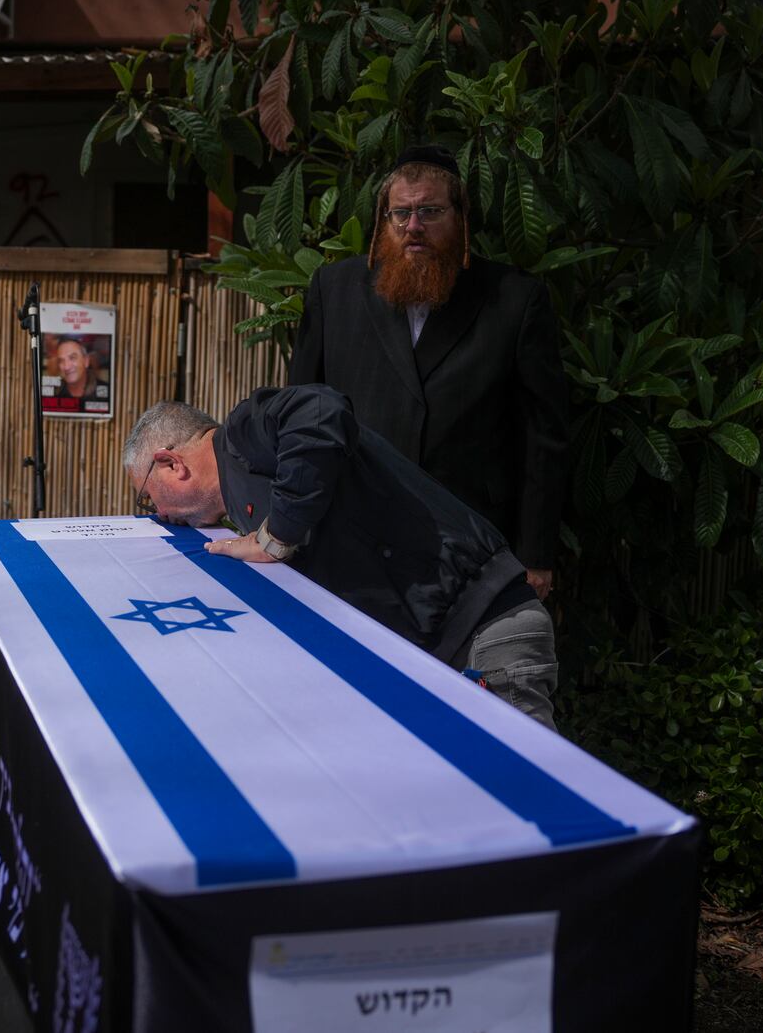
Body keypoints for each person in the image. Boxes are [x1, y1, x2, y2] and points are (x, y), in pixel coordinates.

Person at [123, 385, 558, 729]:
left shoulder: (242, 433)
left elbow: (318, 409)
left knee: (542, 802)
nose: (160, 515)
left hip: (486, 632)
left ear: (170, 463)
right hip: (444, 646)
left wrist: (275, 537)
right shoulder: (238, 490)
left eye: (148, 499)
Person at [288, 144, 571, 600]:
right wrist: (287, 528)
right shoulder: (333, 290)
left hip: (471, 544)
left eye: (430, 211)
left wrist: (536, 554)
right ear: (384, 219)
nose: (413, 227)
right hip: (353, 540)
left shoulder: (515, 301)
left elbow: (543, 438)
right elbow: (301, 416)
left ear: (461, 217)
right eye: (401, 213)